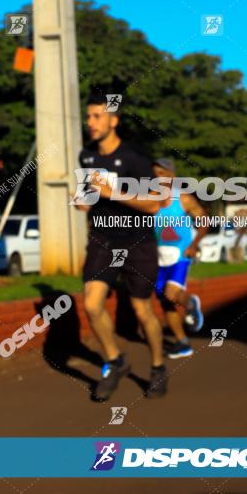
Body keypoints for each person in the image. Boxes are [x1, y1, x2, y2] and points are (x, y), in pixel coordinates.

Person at [73, 91, 167, 401]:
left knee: (143, 311)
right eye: (88, 116)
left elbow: (154, 206)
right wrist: (82, 201)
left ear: (114, 120)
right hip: (103, 239)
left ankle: (157, 367)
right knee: (91, 304)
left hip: (138, 241)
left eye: (96, 116)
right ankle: (116, 361)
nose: (90, 122)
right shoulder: (86, 157)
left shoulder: (135, 159)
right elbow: (89, 197)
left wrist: (113, 193)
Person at [152, 158, 209, 359]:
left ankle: (192, 303)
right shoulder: (149, 201)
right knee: (165, 301)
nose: (157, 177)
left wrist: (194, 245)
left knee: (171, 293)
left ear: (172, 177)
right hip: (159, 258)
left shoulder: (183, 199)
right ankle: (182, 343)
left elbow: (204, 221)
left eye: (162, 173)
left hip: (181, 255)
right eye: (154, 173)